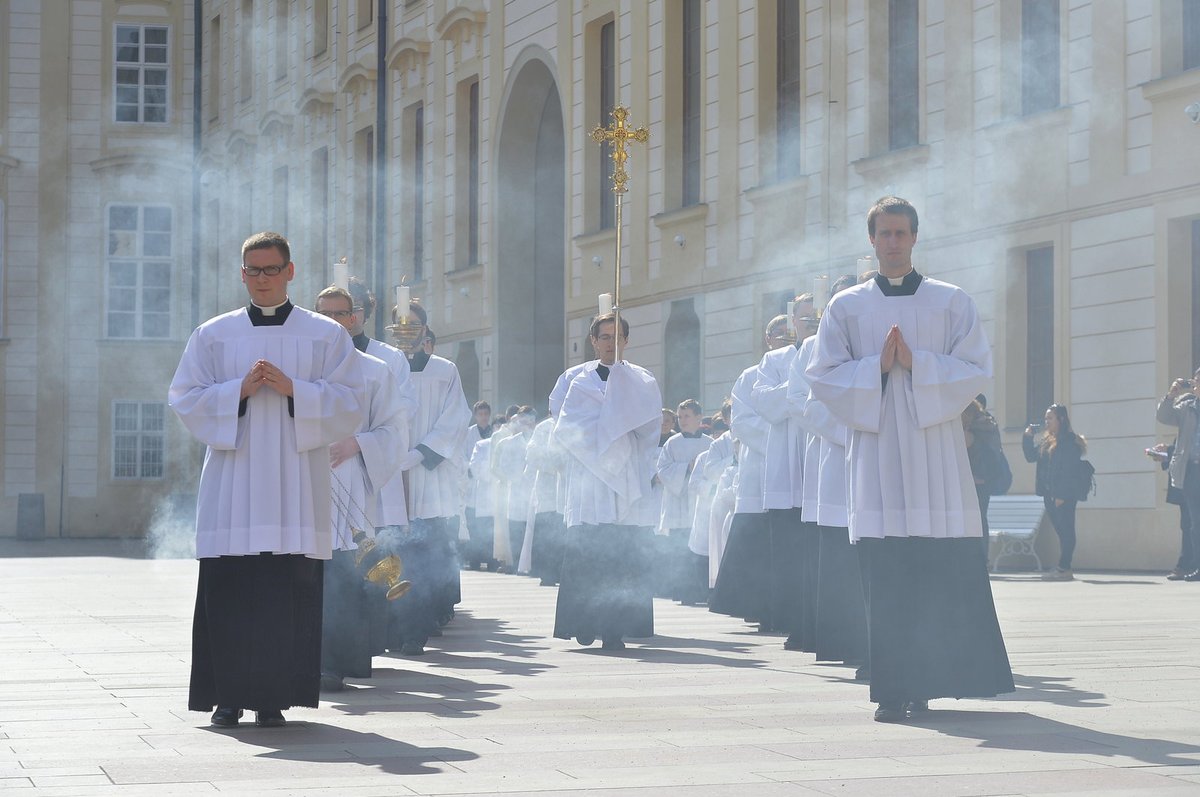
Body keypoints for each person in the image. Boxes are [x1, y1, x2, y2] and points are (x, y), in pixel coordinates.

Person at [807, 196, 1013, 722]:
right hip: (876, 459)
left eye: (902, 233)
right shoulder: (846, 307)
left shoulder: (951, 301)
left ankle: (930, 683)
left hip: (935, 457)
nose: (893, 243)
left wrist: (917, 364)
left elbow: (976, 369)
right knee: (887, 575)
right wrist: (875, 368)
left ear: (916, 238)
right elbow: (823, 377)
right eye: (884, 234)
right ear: (871, 240)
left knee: (932, 573)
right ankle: (893, 689)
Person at [168, 231, 365, 728]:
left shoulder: (326, 334)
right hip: (233, 486)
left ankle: (274, 696)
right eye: (253, 270)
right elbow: (185, 398)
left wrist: (294, 389)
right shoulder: (213, 334)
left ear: (290, 272)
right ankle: (227, 696)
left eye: (271, 269)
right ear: (242, 274)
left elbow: (351, 402)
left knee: (285, 592)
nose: (262, 279)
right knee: (229, 592)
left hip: (295, 487)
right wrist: (238, 390)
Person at [314, 286, 408, 693]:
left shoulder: (375, 370)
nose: (335, 321)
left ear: (354, 318)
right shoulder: (299, 368)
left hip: (352, 482)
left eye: (341, 314)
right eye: (325, 314)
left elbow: (394, 430)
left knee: (342, 576)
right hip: (304, 484)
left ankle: (336, 664)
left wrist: (357, 444)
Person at [552, 313, 663, 651]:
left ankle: (614, 630)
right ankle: (584, 621)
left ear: (627, 341)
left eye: (617, 337)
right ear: (593, 341)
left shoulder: (642, 380)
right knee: (590, 551)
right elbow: (566, 424)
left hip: (626, 471)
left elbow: (650, 427)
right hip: (590, 473)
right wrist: (608, 429)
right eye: (604, 337)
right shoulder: (577, 380)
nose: (610, 343)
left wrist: (623, 417)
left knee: (620, 554)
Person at [381, 299, 471, 656]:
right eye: (401, 325)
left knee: (424, 556)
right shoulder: (383, 367)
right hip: (388, 474)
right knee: (391, 554)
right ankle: (388, 629)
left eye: (414, 325)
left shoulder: (444, 370)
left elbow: (455, 418)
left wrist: (419, 453)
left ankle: (417, 629)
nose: (408, 332)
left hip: (428, 476)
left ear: (424, 330)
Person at [1022, 403, 1087, 581]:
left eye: (1050, 418)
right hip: (1048, 493)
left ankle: (1064, 567)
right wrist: (1027, 437)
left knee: (1066, 531)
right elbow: (1031, 457)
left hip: (1063, 495)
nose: (1046, 421)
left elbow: (1069, 471)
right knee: (1061, 531)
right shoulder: (1047, 440)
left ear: (1061, 419)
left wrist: (1062, 495)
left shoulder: (1070, 442)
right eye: (1046, 418)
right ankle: (1063, 566)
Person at [655, 399, 711, 603]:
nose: (682, 420)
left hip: (699, 503)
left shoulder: (709, 443)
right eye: (680, 417)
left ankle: (702, 591)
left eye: (687, 416)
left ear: (699, 417)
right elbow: (662, 470)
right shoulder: (672, 443)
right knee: (680, 550)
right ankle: (684, 592)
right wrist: (686, 467)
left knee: (700, 548)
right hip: (678, 504)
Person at [1156, 371, 1200, 581]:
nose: (1195, 384)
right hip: (1192, 470)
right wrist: (1171, 395)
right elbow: (1164, 416)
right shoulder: (1187, 407)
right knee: (1195, 522)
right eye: (1196, 381)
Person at [963, 396, 1007, 557]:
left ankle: (979, 557)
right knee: (980, 519)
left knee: (976, 520)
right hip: (984, 480)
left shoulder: (971, 431)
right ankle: (982, 557)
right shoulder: (988, 425)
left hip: (976, 480)